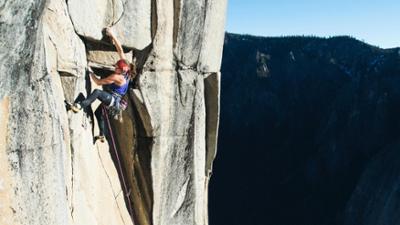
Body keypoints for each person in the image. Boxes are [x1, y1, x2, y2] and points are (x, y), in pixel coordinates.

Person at [68, 27, 136, 142]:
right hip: (116, 101)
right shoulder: (127, 71)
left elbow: (98, 82)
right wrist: (112, 35)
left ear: (120, 70)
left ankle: (79, 106)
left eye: (116, 67)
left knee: (97, 92)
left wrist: (90, 72)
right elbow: (120, 50)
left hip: (113, 101)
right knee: (98, 112)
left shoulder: (117, 77)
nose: (114, 67)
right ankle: (102, 135)